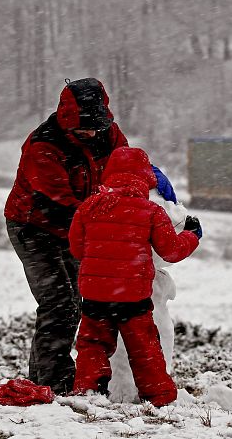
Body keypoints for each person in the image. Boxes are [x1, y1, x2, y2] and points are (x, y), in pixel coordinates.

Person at [4, 78, 128, 395]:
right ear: (66, 122)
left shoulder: (108, 135)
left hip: (80, 222)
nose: (90, 135)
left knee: (83, 300)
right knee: (60, 303)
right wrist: (106, 226)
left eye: (95, 128)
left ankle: (80, 373)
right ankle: (50, 379)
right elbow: (59, 206)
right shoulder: (43, 146)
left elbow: (126, 170)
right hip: (35, 225)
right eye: (82, 131)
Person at [68, 147, 202, 406]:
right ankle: (158, 397)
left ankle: (87, 393)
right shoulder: (150, 211)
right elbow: (171, 251)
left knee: (92, 346)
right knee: (144, 349)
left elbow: (76, 248)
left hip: (95, 293)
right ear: (145, 178)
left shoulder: (88, 208)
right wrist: (192, 235)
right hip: (133, 295)